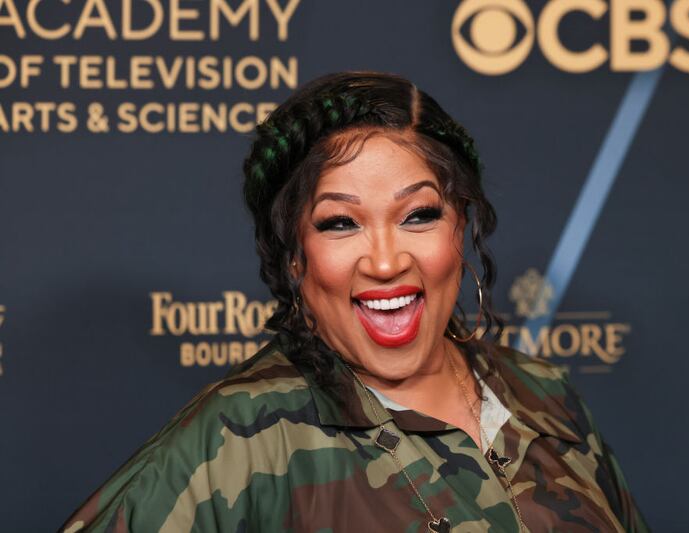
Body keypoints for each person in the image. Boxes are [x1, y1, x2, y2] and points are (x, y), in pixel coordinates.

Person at [61, 71, 649, 532]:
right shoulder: (240, 436)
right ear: (295, 255)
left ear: (461, 226)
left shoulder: (543, 395)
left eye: (419, 215)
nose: (387, 260)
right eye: (340, 223)